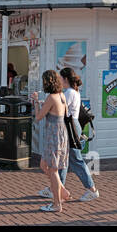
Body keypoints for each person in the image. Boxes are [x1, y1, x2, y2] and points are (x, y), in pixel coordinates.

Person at [41, 68, 100, 202]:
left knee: (74, 159)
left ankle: (91, 189)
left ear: (65, 79)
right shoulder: (73, 92)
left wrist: (43, 105)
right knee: (64, 160)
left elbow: (59, 108)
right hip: (71, 126)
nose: (59, 80)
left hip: (69, 126)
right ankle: (56, 188)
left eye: (60, 78)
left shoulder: (69, 92)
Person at [32, 70, 69, 213]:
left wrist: (36, 102)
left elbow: (38, 117)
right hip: (60, 133)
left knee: (52, 169)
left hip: (54, 135)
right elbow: (61, 112)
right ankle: (63, 191)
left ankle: (57, 204)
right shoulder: (61, 95)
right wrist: (44, 103)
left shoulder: (51, 97)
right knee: (44, 164)